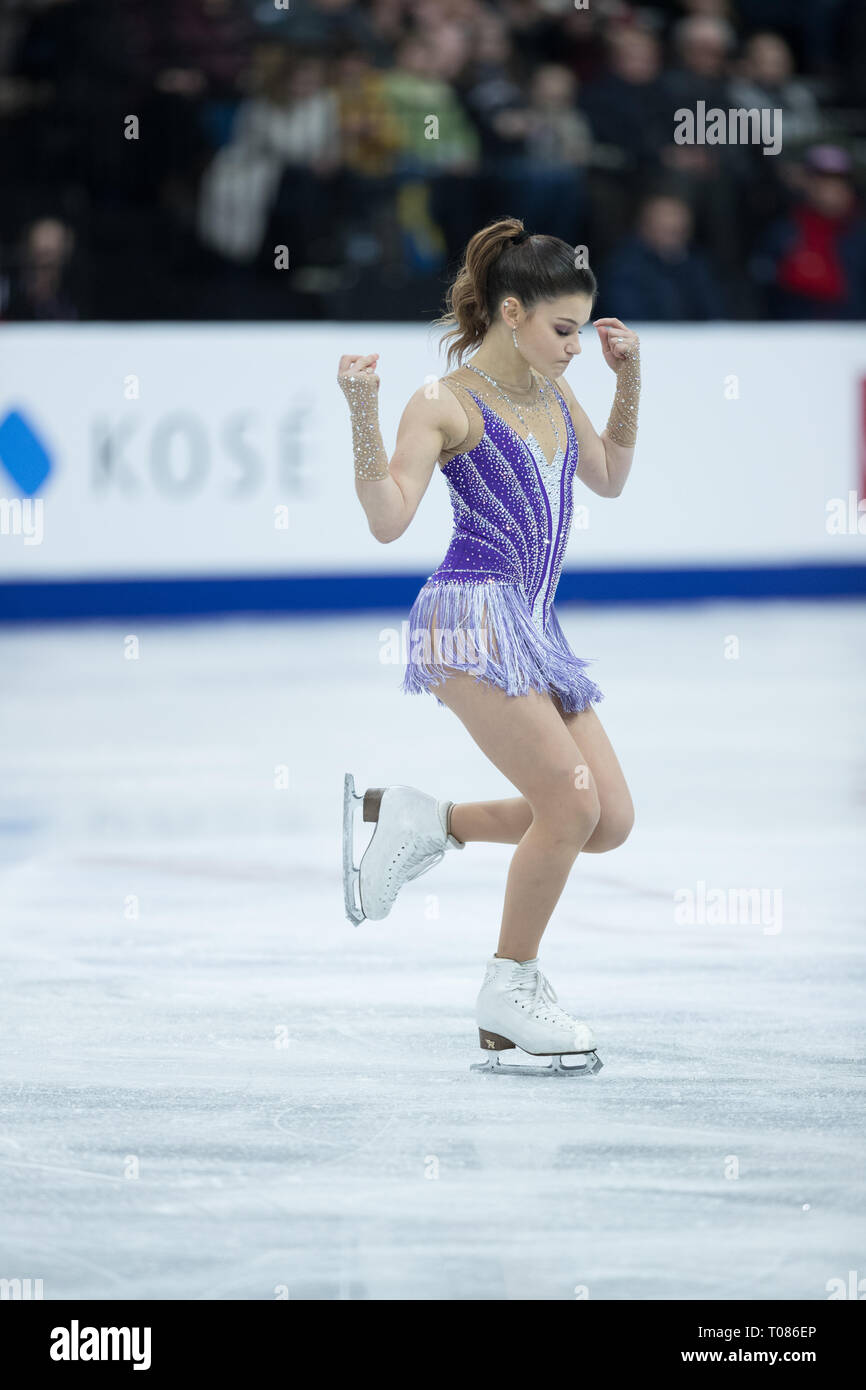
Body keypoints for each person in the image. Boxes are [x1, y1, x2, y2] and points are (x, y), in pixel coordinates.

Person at [338, 218, 641, 1076]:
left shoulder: (555, 390)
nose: (576, 345)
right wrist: (363, 410)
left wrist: (632, 379)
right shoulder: (444, 401)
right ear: (513, 312)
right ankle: (509, 992)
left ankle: (426, 821)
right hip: (470, 618)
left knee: (607, 821)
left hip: (537, 627)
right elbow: (389, 519)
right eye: (564, 329)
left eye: (583, 329)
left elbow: (610, 476)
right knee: (571, 807)